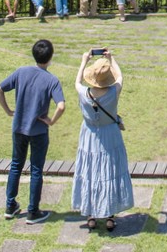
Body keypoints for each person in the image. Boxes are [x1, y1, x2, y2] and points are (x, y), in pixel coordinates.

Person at [0, 37, 65, 223]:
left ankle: (10, 205)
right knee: (36, 170)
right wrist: (51, 121)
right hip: (39, 132)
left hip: (19, 128)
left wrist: (9, 110)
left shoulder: (21, 72)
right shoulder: (52, 80)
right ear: (50, 58)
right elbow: (61, 106)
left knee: (16, 165)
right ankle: (33, 211)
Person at [71, 49, 133, 229]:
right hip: (110, 134)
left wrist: (84, 60)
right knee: (110, 171)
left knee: (90, 170)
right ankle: (109, 215)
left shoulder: (83, 92)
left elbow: (77, 81)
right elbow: (120, 76)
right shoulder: (114, 91)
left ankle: (90, 214)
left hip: (90, 134)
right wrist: (111, 58)